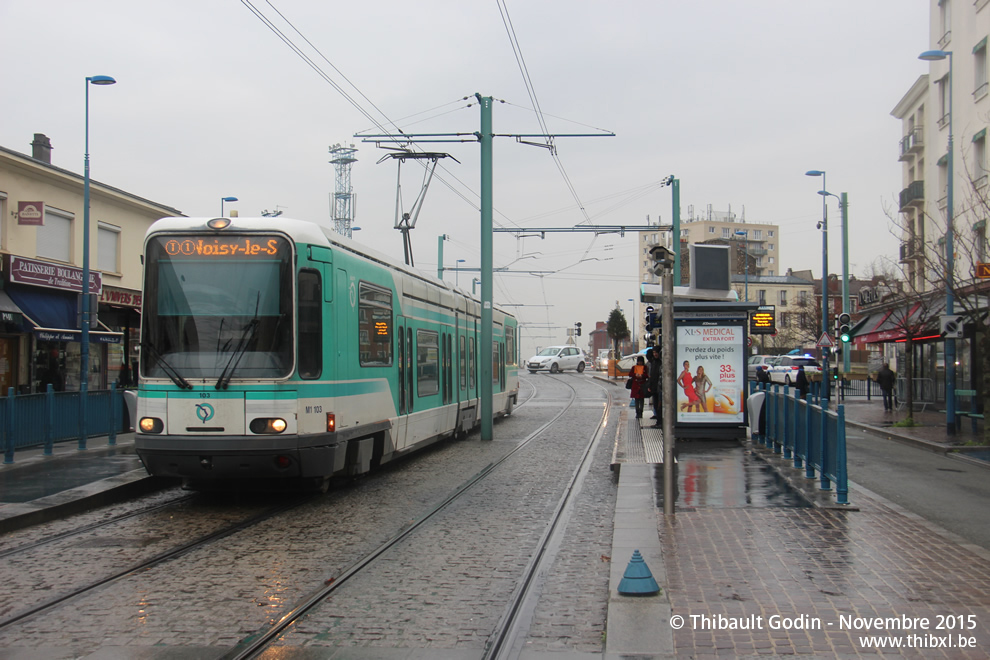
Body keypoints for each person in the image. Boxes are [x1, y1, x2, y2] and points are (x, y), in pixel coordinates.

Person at [646, 347, 661, 422]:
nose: (655, 354)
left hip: (659, 387)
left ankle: (659, 421)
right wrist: (650, 385)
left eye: (656, 352)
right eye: (654, 352)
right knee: (655, 404)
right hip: (654, 387)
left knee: (659, 405)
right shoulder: (654, 362)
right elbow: (652, 375)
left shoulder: (660, 362)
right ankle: (658, 421)